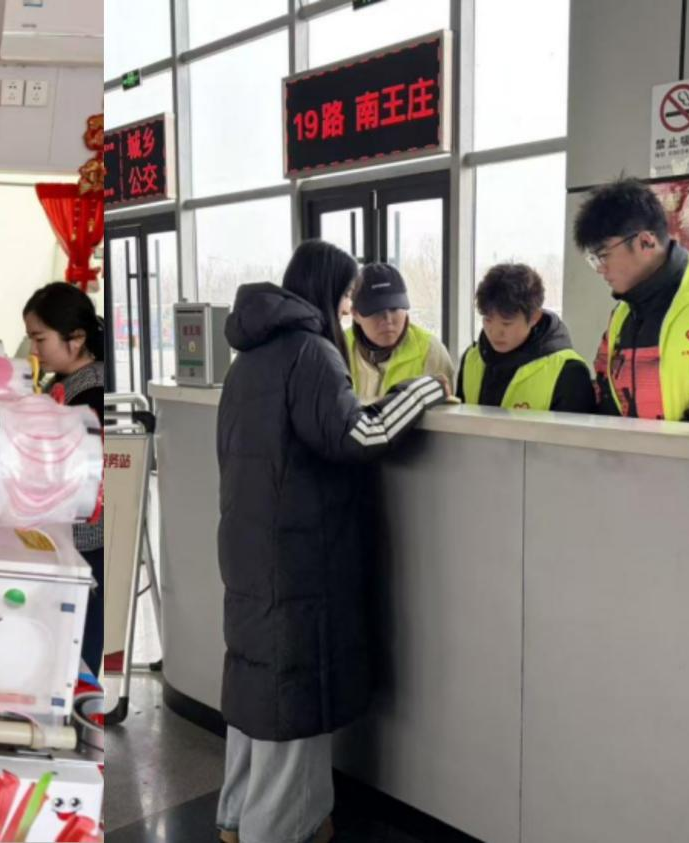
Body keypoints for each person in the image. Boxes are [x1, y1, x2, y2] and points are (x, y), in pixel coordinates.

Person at [214, 240, 447, 843]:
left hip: (251, 548)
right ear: (326, 289)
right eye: (346, 295)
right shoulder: (309, 352)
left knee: (258, 694)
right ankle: (276, 831)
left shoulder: (249, 359)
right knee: (294, 701)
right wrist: (422, 391)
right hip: (299, 558)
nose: (348, 309)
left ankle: (239, 820)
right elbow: (358, 436)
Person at [575, 177, 689, 421]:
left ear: (646, 242)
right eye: (594, 260)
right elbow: (605, 392)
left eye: (603, 255)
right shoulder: (622, 314)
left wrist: (660, 446)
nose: (600, 268)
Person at [22, 282, 104, 675]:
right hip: (67, 533)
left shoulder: (92, 394)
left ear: (76, 338)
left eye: (40, 339)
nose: (33, 350)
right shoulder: (63, 383)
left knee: (79, 646)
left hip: (87, 540)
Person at [455, 263, 595, 412]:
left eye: (506, 323)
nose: (495, 332)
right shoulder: (471, 358)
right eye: (488, 320)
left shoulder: (569, 372)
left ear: (534, 317)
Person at [345, 262, 455, 403]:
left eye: (394, 308)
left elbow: (444, 414)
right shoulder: (339, 348)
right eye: (376, 311)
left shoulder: (430, 351)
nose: (387, 319)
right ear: (355, 314)